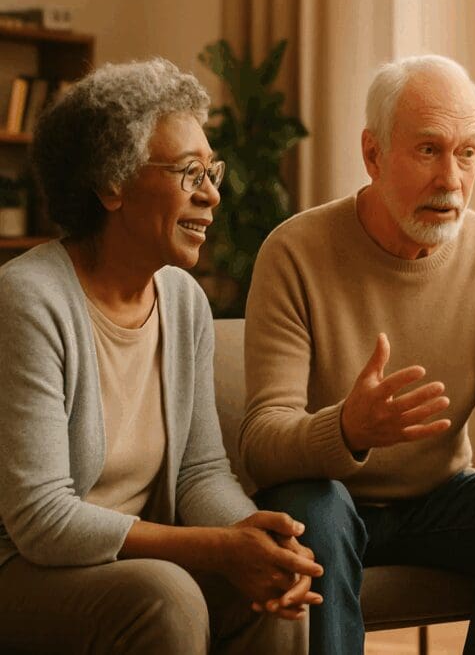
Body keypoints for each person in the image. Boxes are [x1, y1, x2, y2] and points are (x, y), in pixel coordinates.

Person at [240, 54, 475, 654]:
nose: (451, 178)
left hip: (440, 505)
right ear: (372, 154)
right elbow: (262, 444)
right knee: (313, 510)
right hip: (327, 497)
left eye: (468, 152)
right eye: (428, 150)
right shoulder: (293, 252)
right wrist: (345, 429)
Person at [0, 58, 321, 654]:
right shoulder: (29, 299)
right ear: (109, 184)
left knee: (275, 593)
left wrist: (250, 536)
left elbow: (200, 471)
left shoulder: (181, 299)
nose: (212, 193)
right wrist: (216, 549)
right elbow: (42, 519)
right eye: (189, 172)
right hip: (23, 568)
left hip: (139, 559)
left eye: (212, 171)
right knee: (167, 594)